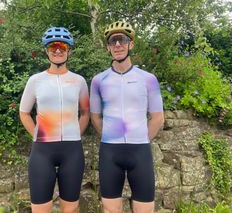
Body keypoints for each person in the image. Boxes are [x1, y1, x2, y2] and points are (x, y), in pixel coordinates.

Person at [90, 21, 164, 213]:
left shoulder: (148, 79)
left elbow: (157, 118)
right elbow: (95, 117)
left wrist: (140, 139)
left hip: (140, 152)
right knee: (110, 209)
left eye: (122, 40)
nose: (117, 45)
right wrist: (109, 136)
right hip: (110, 152)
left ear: (131, 44)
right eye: (113, 41)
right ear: (108, 47)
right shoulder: (98, 80)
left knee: (145, 210)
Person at [19, 27, 90, 213]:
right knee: (41, 209)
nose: (57, 50)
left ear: (69, 50)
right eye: (52, 46)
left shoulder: (79, 81)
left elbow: (85, 113)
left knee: (71, 208)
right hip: (43, 151)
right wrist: (36, 132)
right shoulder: (35, 80)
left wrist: (75, 133)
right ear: (46, 50)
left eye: (62, 46)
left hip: (72, 150)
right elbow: (24, 112)